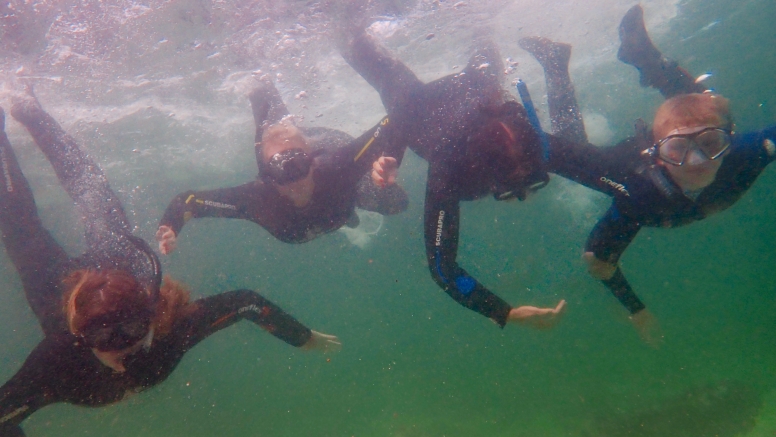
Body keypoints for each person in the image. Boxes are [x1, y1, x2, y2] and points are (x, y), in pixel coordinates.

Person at [0, 92, 340, 437]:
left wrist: (302, 338)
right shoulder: (57, 364)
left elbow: (246, 302)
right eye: (102, 335)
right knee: (20, 226)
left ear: (152, 316)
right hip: (59, 288)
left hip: (116, 264)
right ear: (79, 335)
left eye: (132, 329)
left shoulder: (167, 328)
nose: (122, 347)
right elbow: (245, 303)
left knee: (94, 194)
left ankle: (31, 111)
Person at [520, 5, 776, 344]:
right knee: (570, 145)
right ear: (658, 155)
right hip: (626, 163)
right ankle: (557, 63)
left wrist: (636, 309)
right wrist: (636, 309)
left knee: (699, 112)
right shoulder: (638, 193)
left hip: (683, 135)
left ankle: (645, 60)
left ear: (728, 138)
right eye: (677, 151)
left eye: (711, 143)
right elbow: (597, 260)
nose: (697, 161)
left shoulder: (746, 151)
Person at [341, 29, 567, 329]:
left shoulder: (527, 141)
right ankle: (342, 26)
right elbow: (440, 266)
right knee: (353, 43)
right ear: (483, 170)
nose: (524, 193)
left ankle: (480, 23)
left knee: (484, 45)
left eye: (527, 180)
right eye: (512, 187)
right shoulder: (449, 167)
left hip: (477, 83)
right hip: (413, 106)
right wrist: (503, 312)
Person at [155, 81, 408, 254]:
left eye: (297, 166)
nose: (292, 181)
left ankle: (262, 90)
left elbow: (396, 120)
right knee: (267, 112)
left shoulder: (336, 169)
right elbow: (187, 201)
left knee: (396, 203)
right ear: (267, 176)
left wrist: (389, 158)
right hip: (333, 202)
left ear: (311, 161)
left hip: (329, 150)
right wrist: (172, 227)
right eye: (278, 171)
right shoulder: (256, 198)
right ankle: (256, 81)